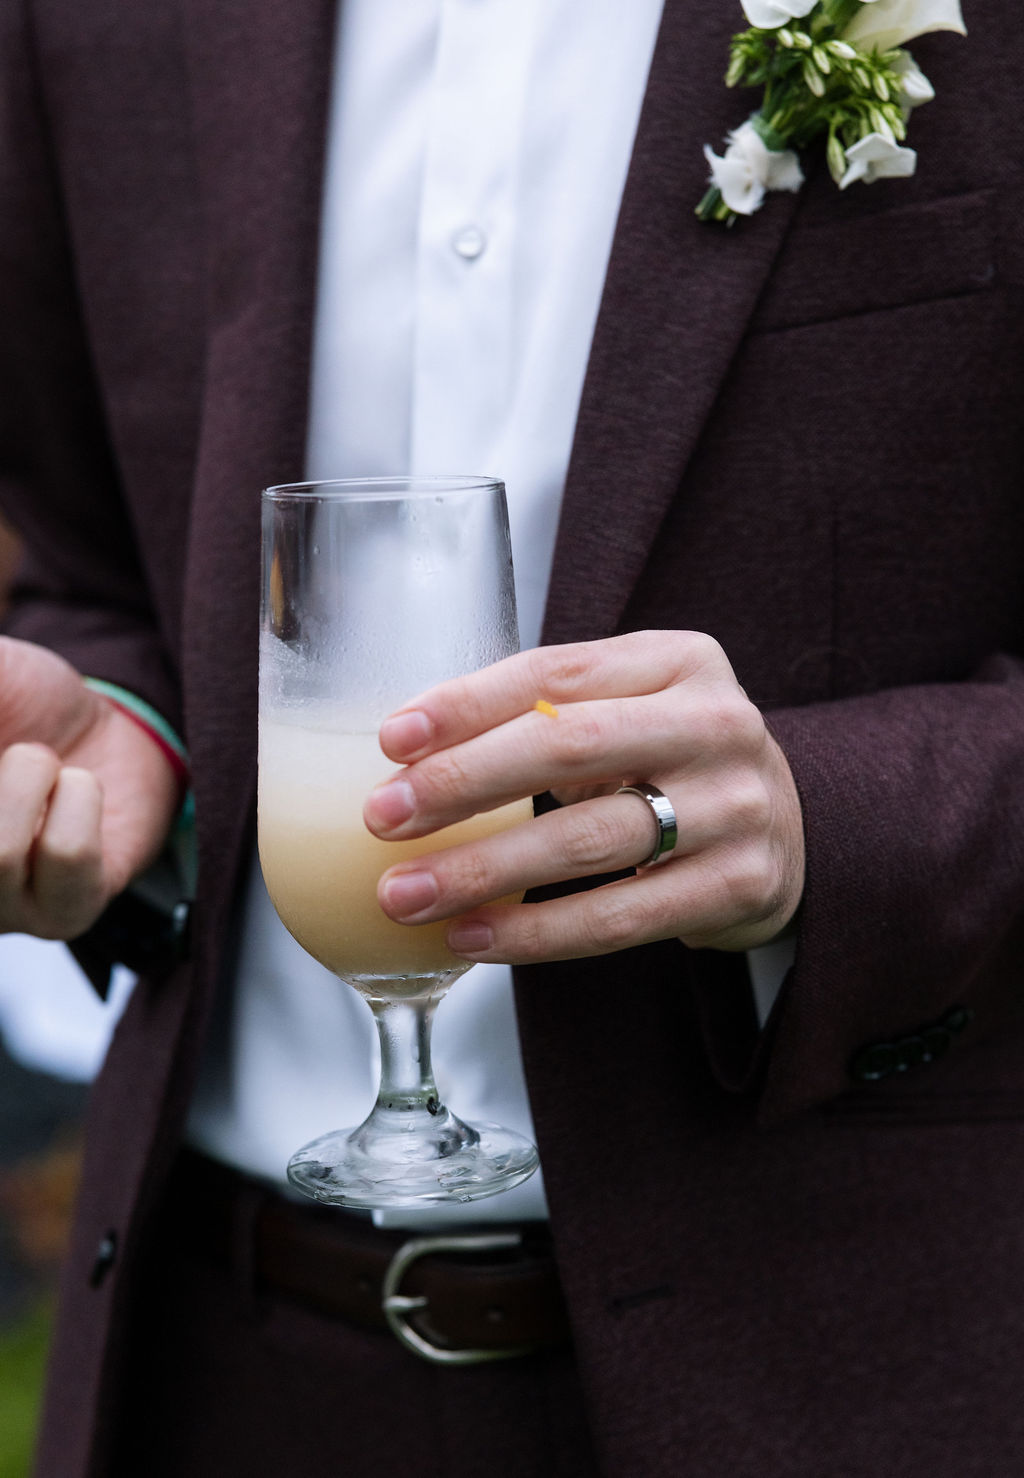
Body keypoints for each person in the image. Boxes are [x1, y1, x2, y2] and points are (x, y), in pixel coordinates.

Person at [2, 0, 1024, 1474]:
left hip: (831, 1365)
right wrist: (129, 739)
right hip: (219, 1360)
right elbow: (99, 562)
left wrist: (838, 818)